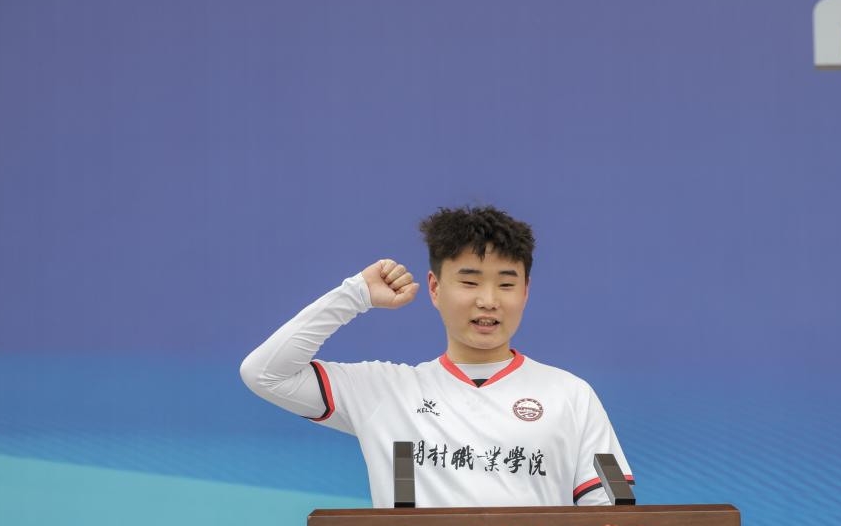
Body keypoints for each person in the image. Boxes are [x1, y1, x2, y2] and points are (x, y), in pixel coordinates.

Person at [239, 205, 633, 508]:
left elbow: (617, 509)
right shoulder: (385, 392)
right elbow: (265, 374)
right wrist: (354, 295)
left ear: (526, 291)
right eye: (469, 282)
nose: (488, 300)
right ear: (434, 287)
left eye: (506, 284)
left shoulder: (572, 395)